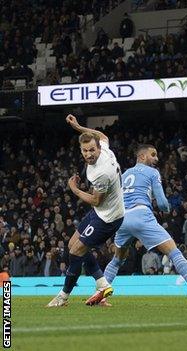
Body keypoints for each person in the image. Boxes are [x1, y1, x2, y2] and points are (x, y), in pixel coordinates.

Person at [102, 144, 187, 306]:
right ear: (142, 157)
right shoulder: (152, 172)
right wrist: (167, 208)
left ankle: (100, 295)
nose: (156, 158)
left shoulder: (124, 174)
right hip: (142, 215)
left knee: (117, 260)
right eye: (153, 154)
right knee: (174, 252)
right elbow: (161, 203)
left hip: (122, 219)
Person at [47, 114, 124, 307]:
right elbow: (102, 136)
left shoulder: (101, 171)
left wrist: (74, 189)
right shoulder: (104, 148)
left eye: (92, 150)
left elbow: (96, 200)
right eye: (85, 150)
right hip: (102, 212)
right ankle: (102, 285)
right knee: (74, 244)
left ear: (98, 149)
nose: (89, 154)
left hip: (109, 218)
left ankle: (63, 297)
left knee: (76, 251)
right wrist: (79, 127)